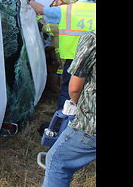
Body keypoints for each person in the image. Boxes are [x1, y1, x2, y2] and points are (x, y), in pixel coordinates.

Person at [23, 0, 96, 110]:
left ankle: (63, 119)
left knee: (68, 90)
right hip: (93, 59)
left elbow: (40, 9)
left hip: (73, 58)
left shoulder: (65, 10)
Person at [41, 29, 96, 187]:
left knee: (58, 161)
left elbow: (74, 88)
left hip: (90, 125)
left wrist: (75, 104)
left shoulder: (92, 39)